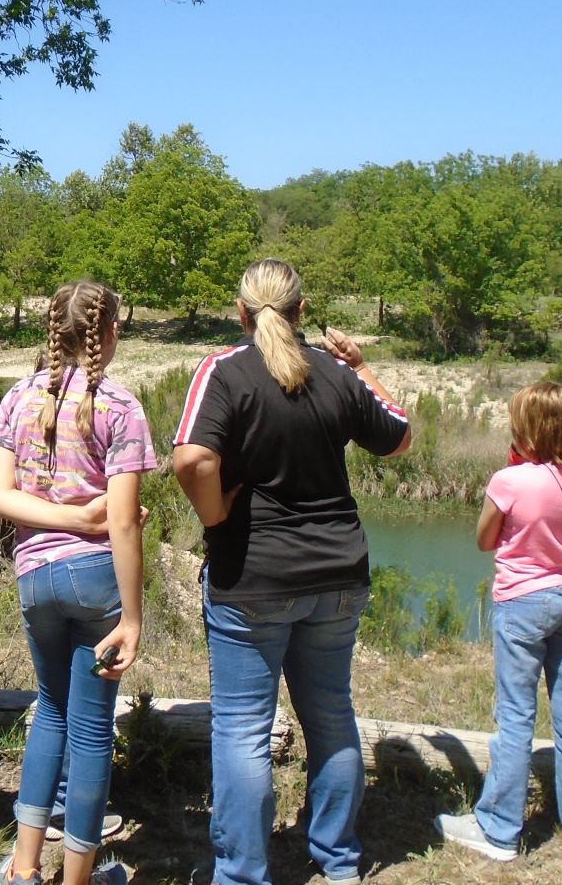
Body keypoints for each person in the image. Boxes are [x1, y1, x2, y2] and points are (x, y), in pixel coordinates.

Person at [172, 258, 411, 885]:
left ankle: (243, 873)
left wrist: (218, 513)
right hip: (337, 575)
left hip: (252, 577)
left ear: (241, 313)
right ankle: (336, 859)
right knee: (331, 715)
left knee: (244, 729)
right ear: (301, 310)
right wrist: (364, 368)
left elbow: (191, 459)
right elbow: (401, 437)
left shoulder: (223, 371)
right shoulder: (337, 374)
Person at [0, 281, 151, 885]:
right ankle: (79, 878)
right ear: (107, 334)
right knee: (90, 730)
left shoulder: (17, 398)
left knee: (50, 710)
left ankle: (25, 869)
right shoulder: (120, 405)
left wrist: (68, 516)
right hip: (95, 579)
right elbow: (124, 524)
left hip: (35, 577)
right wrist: (131, 618)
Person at [435, 381, 562, 866]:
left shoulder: (509, 481)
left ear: (526, 429)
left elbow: (484, 540)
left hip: (523, 603)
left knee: (515, 715)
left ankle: (500, 828)